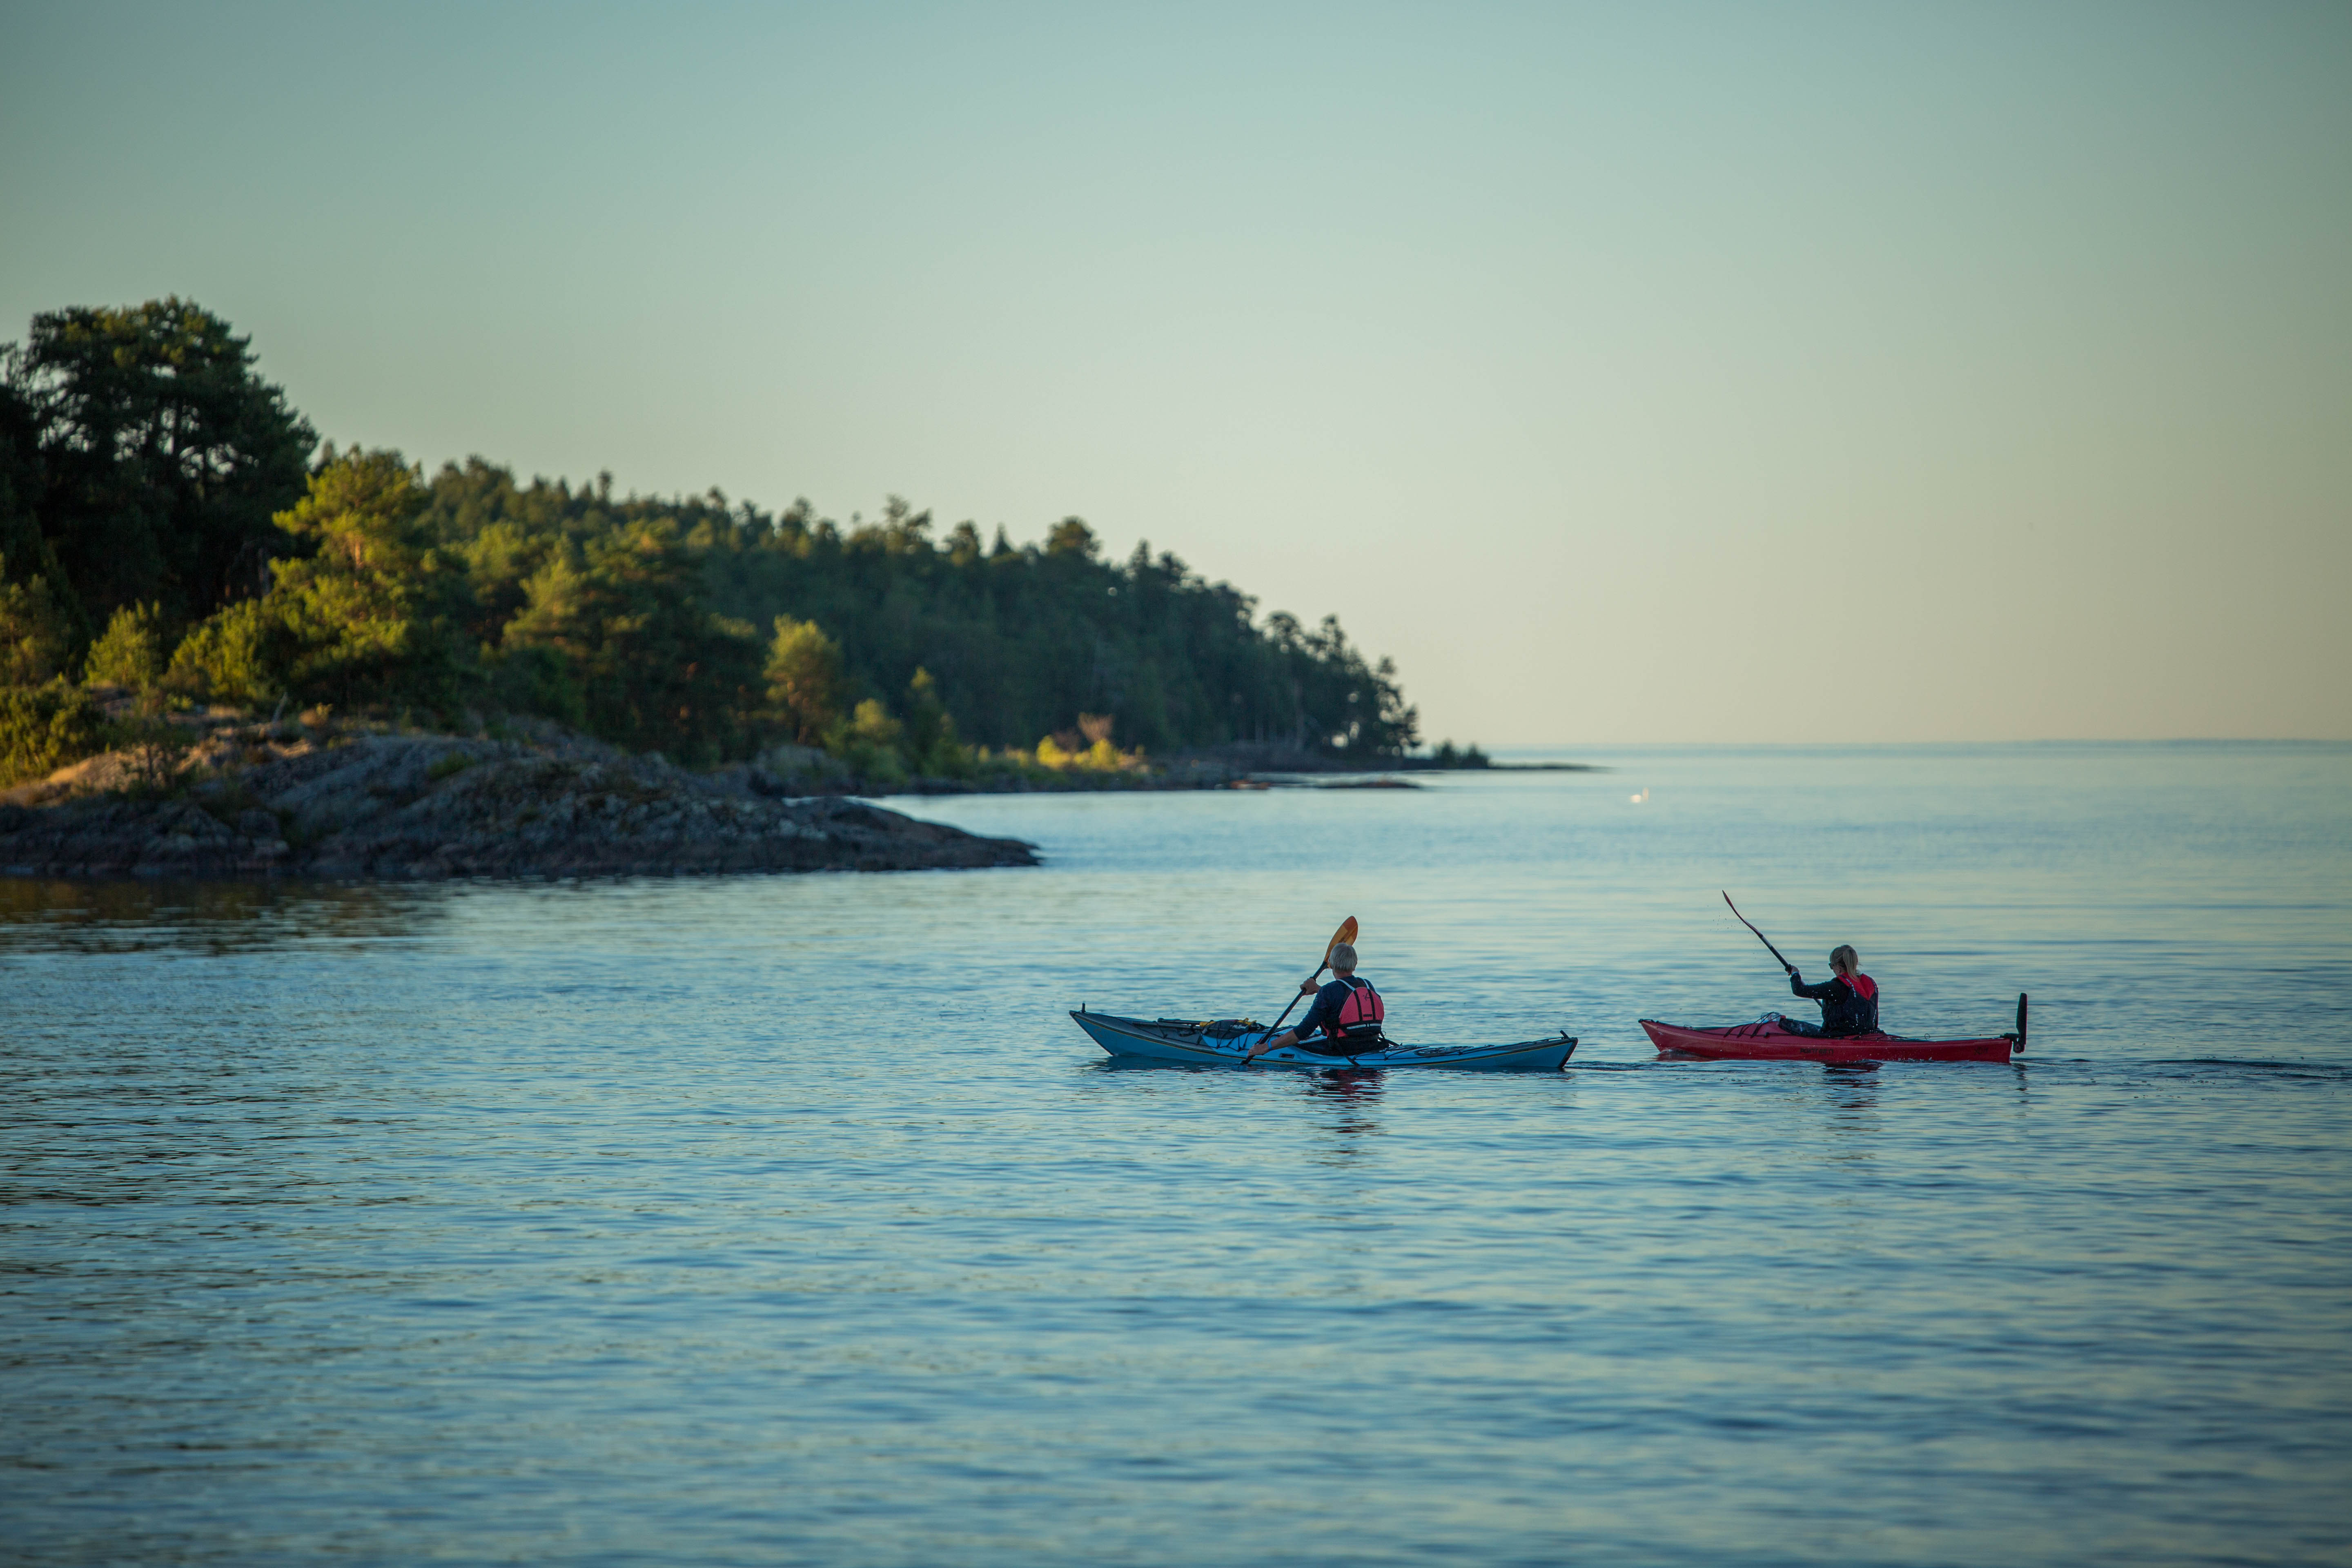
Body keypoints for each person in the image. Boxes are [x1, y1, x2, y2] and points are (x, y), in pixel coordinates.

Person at [1248, 943, 1385, 1058]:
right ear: (1355, 964)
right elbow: (1344, 997)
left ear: (1331, 965)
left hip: (1343, 1050)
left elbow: (1304, 1031)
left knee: (1298, 1045)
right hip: (1372, 1044)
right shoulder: (1367, 985)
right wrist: (1318, 990)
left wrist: (1266, 1047)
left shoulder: (1328, 991)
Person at [1780, 944, 1880, 1038]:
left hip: (1839, 1036)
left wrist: (1795, 974)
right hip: (1868, 1034)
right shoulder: (1868, 984)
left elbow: (1799, 990)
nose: (1832, 969)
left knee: (1783, 1024)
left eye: (1831, 966)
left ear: (1839, 968)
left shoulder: (1836, 987)